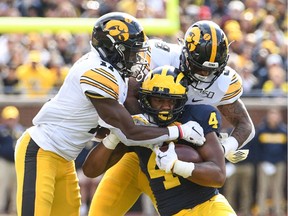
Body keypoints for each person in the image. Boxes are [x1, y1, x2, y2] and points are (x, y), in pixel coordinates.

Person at [14, 12, 205, 216]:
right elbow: (129, 132)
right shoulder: (97, 71)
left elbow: (106, 127)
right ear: (114, 49)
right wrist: (179, 132)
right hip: (41, 149)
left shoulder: (114, 73)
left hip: (65, 157)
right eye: (131, 51)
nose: (137, 57)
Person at [86, 20, 254, 215]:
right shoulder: (159, 56)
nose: (204, 76)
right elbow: (129, 99)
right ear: (185, 54)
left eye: (210, 71)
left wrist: (225, 148)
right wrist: (162, 132)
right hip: (137, 149)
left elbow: (245, 125)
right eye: (199, 68)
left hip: (171, 161)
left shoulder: (220, 88)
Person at [83, 66, 236, 215]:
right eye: (158, 100)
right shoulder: (138, 127)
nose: (165, 107)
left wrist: (177, 165)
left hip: (209, 207)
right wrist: (115, 136)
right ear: (146, 99)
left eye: (172, 101)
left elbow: (218, 175)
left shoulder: (195, 118)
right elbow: (91, 170)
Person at [255, 108, 287, 216]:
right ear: (268, 117)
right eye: (271, 115)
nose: (273, 117)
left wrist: (281, 161)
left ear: (279, 117)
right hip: (264, 164)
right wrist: (263, 161)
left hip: (279, 164)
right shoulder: (261, 130)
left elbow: (285, 149)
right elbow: (257, 149)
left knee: (277, 189)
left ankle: (278, 211)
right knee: (263, 188)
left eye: (275, 115)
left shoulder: (284, 131)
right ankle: (262, 212)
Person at [0, 106, 25, 214]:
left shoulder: (21, 130)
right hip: (4, 161)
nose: (11, 121)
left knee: (17, 185)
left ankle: (15, 209)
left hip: (17, 162)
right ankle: (1, 207)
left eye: (13, 118)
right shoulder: (2, 131)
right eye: (9, 119)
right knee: (3, 184)